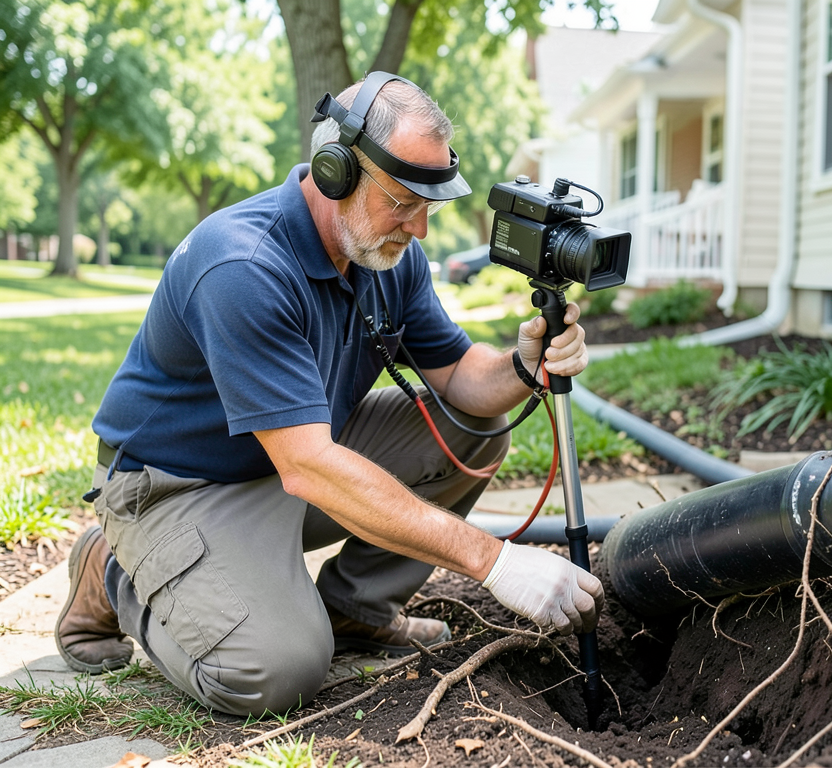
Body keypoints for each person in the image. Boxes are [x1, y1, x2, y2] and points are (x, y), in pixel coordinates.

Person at [54, 72, 604, 718]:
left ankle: (356, 610)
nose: (421, 227)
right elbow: (309, 465)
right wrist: (495, 563)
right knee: (272, 674)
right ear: (335, 169)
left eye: (431, 205)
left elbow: (459, 377)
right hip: (179, 488)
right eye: (402, 200)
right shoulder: (244, 265)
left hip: (290, 462)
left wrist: (524, 362)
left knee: (474, 428)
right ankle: (116, 573)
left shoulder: (388, 257)